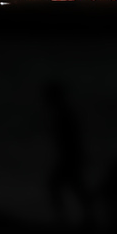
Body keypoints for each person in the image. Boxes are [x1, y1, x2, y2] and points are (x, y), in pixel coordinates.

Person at [43, 80, 90, 225]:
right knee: (75, 186)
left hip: (70, 156)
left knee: (59, 185)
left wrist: (73, 155)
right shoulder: (63, 113)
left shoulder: (63, 114)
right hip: (70, 156)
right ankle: (86, 218)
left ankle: (63, 219)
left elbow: (71, 138)